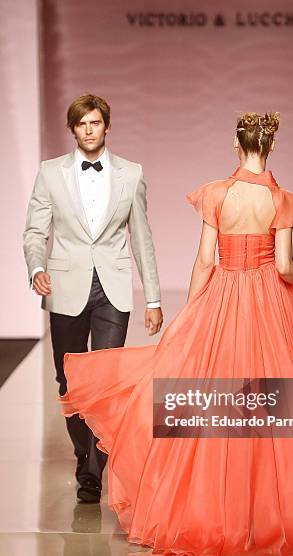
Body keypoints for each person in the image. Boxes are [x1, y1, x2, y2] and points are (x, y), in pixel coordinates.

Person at [60, 111, 293, 556]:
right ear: (270, 148)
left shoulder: (216, 194)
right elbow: (283, 266)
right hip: (271, 307)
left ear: (237, 146)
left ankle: (212, 511)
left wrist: (192, 313)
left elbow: (203, 261)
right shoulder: (283, 201)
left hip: (223, 299)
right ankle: (272, 513)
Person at [23, 93, 163, 503]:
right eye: (81, 124)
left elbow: (143, 239)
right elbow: (34, 231)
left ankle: (93, 472)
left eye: (95, 123)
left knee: (107, 381)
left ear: (106, 126)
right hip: (65, 286)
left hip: (112, 288)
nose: (88, 130)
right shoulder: (50, 173)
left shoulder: (131, 174)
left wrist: (153, 299)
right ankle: (82, 451)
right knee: (69, 379)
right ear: (73, 129)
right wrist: (36, 268)